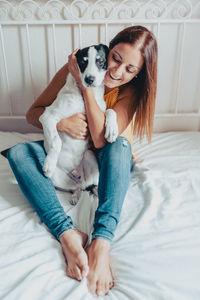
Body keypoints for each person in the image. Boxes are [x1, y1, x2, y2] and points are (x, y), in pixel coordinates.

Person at [4, 25, 158, 297]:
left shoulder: (129, 90)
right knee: (17, 153)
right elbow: (33, 114)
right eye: (116, 58)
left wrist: (86, 85)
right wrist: (61, 124)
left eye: (130, 69)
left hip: (109, 159)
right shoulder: (77, 66)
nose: (116, 72)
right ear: (105, 51)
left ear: (137, 75)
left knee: (119, 144)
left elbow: (100, 140)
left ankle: (101, 241)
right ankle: (68, 234)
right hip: (70, 151)